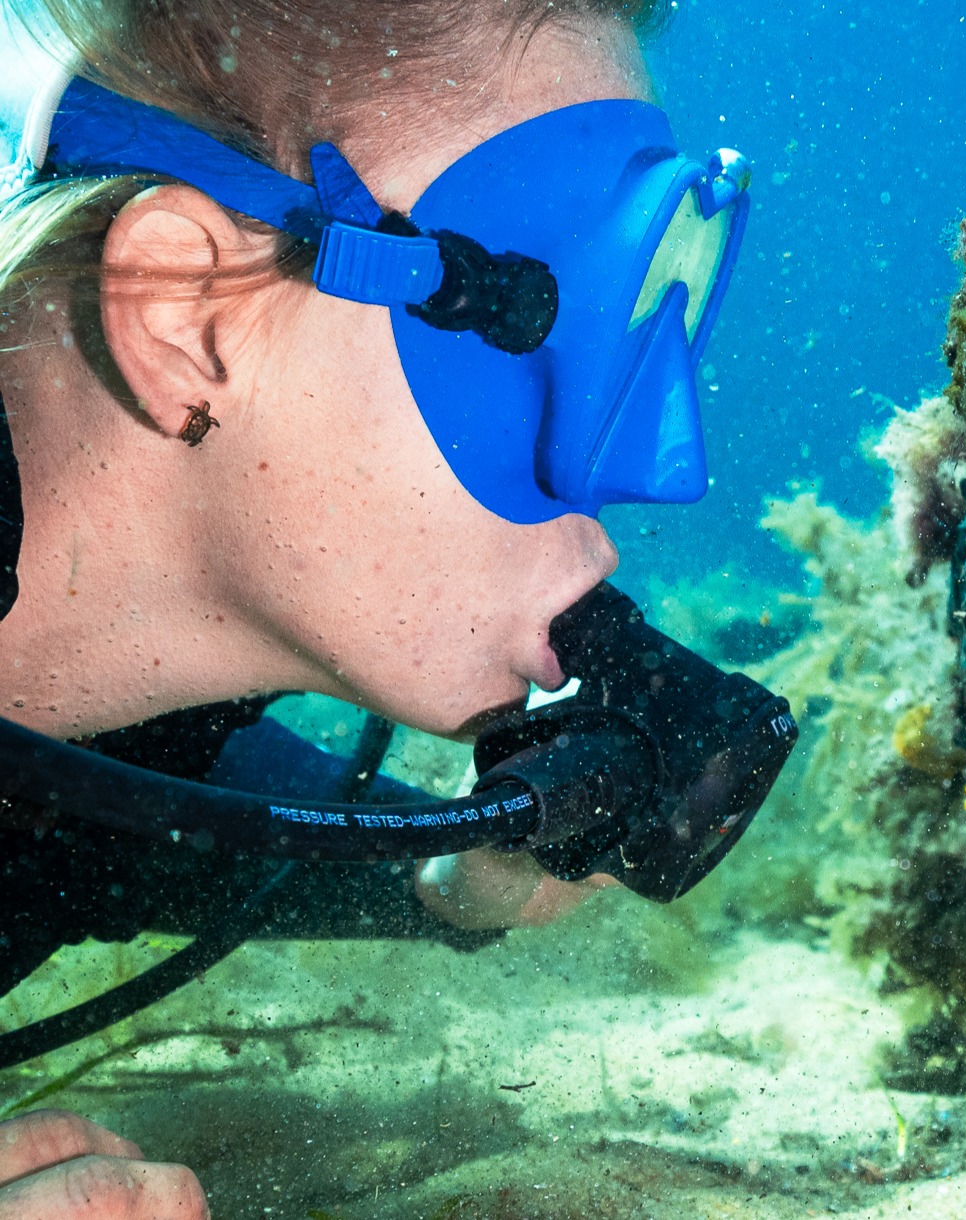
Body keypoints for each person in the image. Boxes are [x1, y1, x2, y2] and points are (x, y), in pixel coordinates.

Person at [0, 0, 765, 1213]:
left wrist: (441, 874)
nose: (654, 467)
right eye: (536, 326)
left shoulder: (114, 731)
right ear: (184, 314)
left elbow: (124, 827)